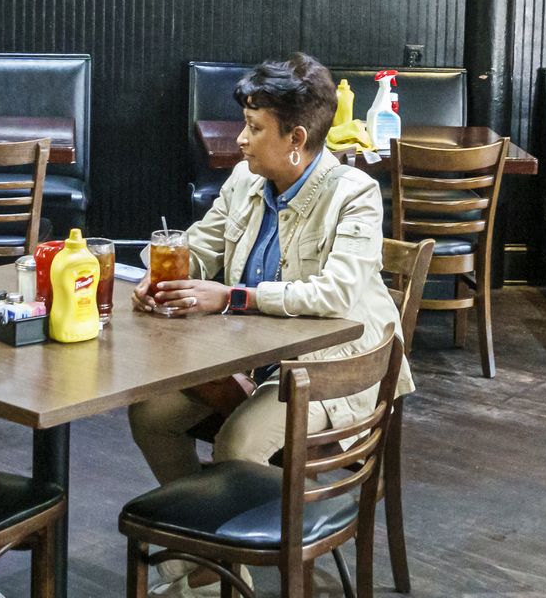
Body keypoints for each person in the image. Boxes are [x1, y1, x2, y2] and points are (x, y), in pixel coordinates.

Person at [127, 53, 413, 597]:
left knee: (238, 442)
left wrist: (231, 296)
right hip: (258, 362)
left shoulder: (353, 193)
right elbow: (202, 245)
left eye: (255, 128)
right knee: (150, 414)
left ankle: (230, 562)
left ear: (296, 138)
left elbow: (335, 294)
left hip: (335, 371)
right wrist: (160, 266)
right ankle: (213, 555)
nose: (240, 139)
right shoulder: (244, 179)